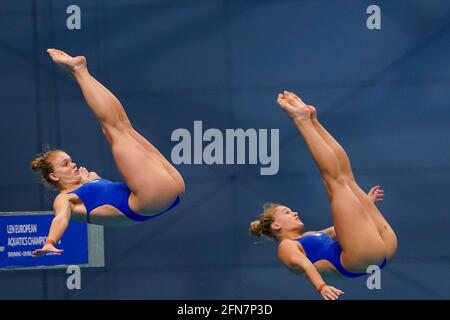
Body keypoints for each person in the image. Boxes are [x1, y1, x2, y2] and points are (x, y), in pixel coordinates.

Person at [31, 49, 185, 257]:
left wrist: (90, 181)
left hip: (169, 189)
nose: (73, 164)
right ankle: (79, 71)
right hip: (150, 200)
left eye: (71, 160)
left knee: (123, 126)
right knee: (113, 129)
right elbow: (60, 218)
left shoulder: (88, 180)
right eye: (66, 164)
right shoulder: (64, 199)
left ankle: (80, 72)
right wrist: (50, 241)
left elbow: (106, 198)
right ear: (54, 176)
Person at [249, 91, 397, 300]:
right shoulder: (286, 246)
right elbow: (305, 265)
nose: (295, 212)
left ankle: (311, 120)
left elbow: (343, 229)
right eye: (287, 212)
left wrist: (364, 204)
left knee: (346, 178)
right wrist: (321, 287)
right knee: (335, 182)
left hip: (378, 248)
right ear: (276, 226)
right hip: (362, 258)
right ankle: (302, 121)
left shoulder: (310, 236)